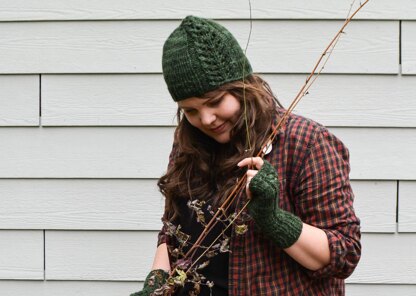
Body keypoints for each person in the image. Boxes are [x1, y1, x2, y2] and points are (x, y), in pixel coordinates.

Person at [130, 15, 361, 296]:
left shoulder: (306, 143)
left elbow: (344, 254)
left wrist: (274, 219)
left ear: (242, 86)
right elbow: (173, 231)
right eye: (190, 110)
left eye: (214, 102)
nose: (206, 119)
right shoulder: (189, 145)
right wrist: (157, 281)